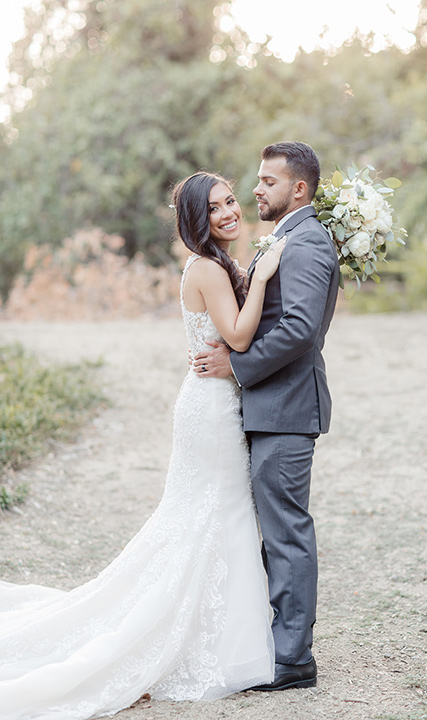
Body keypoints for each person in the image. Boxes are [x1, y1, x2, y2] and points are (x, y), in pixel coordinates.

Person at [0, 172, 286, 719]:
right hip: (212, 410)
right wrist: (266, 270)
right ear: (197, 222)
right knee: (213, 514)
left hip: (210, 401)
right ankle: (214, 643)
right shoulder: (206, 267)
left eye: (231, 201)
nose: (229, 212)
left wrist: (252, 271)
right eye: (216, 208)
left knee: (208, 515)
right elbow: (241, 337)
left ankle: (223, 633)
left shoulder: (217, 265)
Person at [193, 141, 339, 691]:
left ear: (297, 189)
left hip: (286, 409)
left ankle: (293, 658)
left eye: (267, 181)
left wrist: (238, 366)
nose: (256, 189)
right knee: (272, 531)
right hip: (270, 407)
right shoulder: (289, 236)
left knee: (287, 533)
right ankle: (272, 641)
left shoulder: (305, 243)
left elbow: (301, 329)